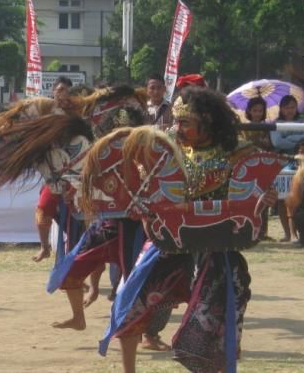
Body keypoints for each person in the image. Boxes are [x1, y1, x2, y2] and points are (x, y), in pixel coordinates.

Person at [107, 87, 277, 373]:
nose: (178, 128)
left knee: (216, 320)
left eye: (185, 122)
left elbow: (257, 191)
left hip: (218, 244)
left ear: (207, 119)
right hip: (170, 240)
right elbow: (144, 187)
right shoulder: (166, 149)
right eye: (176, 121)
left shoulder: (239, 152)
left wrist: (266, 198)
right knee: (130, 303)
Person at [272, 95, 304, 242]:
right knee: (282, 199)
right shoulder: (275, 123)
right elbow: (278, 143)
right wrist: (298, 140)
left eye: (292, 107)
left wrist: (289, 141)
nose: (290, 110)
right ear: (281, 109)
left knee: (303, 197)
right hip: (283, 163)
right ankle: (288, 233)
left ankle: (303, 231)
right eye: (286, 107)